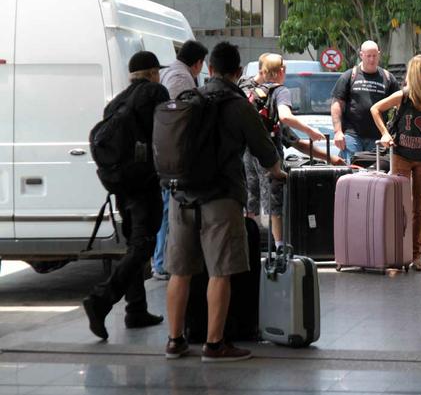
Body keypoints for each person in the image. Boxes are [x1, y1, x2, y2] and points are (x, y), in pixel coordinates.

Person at [164, 42, 286, 362]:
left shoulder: (189, 99)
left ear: (210, 69)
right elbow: (265, 152)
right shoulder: (238, 104)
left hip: (182, 196)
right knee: (221, 272)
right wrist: (277, 172)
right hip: (220, 197)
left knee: (181, 271)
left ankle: (175, 341)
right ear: (237, 73)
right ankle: (215, 344)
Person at [83, 51, 171, 340]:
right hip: (144, 181)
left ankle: (136, 309)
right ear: (152, 72)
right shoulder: (156, 93)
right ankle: (101, 299)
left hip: (121, 184)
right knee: (143, 246)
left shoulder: (115, 102)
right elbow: (165, 133)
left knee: (135, 244)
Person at [371, 55, 421, 271]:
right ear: (417, 73)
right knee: (399, 206)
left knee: (420, 207)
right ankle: (396, 252)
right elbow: (375, 109)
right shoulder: (404, 96)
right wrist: (385, 134)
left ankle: (416, 255)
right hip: (401, 155)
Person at [253, 53, 326, 249]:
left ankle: (249, 244)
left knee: (251, 201)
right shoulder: (280, 91)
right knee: (275, 201)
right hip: (269, 152)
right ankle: (279, 246)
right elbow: (285, 116)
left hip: (248, 152)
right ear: (282, 71)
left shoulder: (253, 90)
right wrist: (310, 130)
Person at [153, 40, 209, 281]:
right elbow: (179, 119)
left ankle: (161, 260)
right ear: (197, 63)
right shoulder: (180, 78)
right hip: (174, 157)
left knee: (167, 209)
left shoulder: (170, 72)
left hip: (166, 155)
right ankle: (162, 262)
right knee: (168, 210)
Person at [331, 41, 400, 164]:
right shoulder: (349, 76)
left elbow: (399, 104)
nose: (372, 59)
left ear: (379, 55)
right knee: (351, 172)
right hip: (352, 136)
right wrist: (337, 132)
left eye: (374, 55)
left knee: (376, 175)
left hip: (378, 138)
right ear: (361, 55)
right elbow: (337, 104)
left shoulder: (388, 78)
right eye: (368, 56)